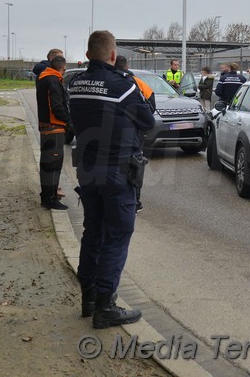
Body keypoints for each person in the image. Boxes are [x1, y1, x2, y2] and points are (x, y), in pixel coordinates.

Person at [69, 30, 155, 328]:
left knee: (93, 232)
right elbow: (148, 120)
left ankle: (88, 298)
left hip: (88, 170)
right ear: (113, 55)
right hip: (117, 172)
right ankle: (106, 306)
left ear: (88, 53)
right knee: (117, 235)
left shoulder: (75, 83)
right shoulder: (123, 85)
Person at [114, 55, 155, 213]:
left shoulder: (109, 81)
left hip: (110, 134)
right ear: (127, 65)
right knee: (135, 166)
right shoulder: (137, 83)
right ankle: (135, 202)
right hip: (134, 133)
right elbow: (151, 107)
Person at [35, 55, 69, 210]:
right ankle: (50, 199)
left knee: (47, 165)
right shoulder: (53, 80)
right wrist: (68, 122)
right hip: (54, 127)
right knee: (53, 165)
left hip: (46, 126)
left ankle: (47, 196)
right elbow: (56, 105)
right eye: (64, 70)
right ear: (62, 68)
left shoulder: (43, 78)